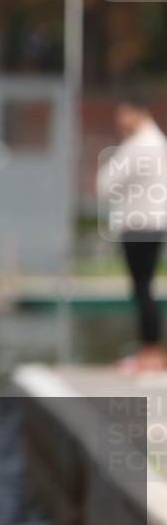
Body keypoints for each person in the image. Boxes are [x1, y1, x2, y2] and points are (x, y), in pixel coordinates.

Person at [97, 98, 167, 373]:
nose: (120, 122)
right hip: (155, 222)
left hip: (139, 225)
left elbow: (105, 183)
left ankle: (150, 352)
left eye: (123, 115)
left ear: (137, 113)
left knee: (142, 288)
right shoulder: (159, 142)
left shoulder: (138, 146)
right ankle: (152, 350)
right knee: (145, 286)